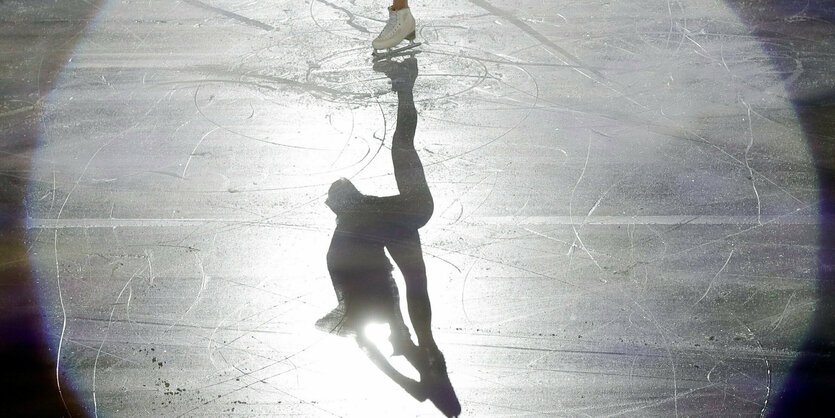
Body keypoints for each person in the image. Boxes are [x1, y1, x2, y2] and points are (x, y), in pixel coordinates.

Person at [316, 57, 446, 378]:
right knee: (401, 144)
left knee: (417, 283)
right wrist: (393, 327)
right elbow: (384, 282)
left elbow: (381, 282)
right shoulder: (352, 223)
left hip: (405, 218)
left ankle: (427, 343)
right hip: (411, 211)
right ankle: (405, 84)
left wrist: (390, 328)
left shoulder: (348, 230)